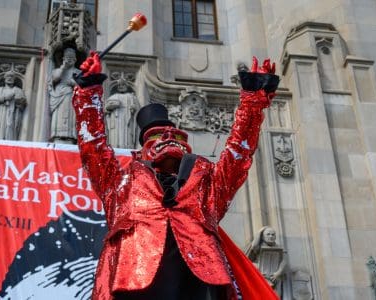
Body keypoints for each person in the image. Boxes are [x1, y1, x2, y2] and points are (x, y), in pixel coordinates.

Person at [72, 51, 280, 300]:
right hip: (134, 279)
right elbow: (93, 149)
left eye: (177, 135)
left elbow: (238, 153)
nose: (170, 138)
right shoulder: (121, 182)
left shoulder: (207, 179)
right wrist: (88, 93)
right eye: (159, 135)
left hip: (199, 279)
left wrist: (253, 101)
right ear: (145, 148)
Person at [49, 47, 81, 143]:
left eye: (71, 58)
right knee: (58, 116)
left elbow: (83, 87)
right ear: (63, 59)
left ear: (75, 60)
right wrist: (63, 67)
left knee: (71, 117)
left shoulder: (78, 72)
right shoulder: (57, 70)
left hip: (71, 96)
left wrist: (72, 83)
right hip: (58, 97)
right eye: (67, 58)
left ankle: (70, 136)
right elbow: (55, 78)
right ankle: (57, 136)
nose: (69, 60)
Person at [246, 226, 287, 292]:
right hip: (262, 277)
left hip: (274, 277)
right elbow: (254, 246)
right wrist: (260, 232)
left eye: (273, 234)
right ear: (262, 237)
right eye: (268, 234)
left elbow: (284, 261)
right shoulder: (259, 247)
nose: (271, 236)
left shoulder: (280, 247)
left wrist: (278, 273)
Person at [0, 70, 26, 140]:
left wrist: (17, 100)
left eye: (12, 77)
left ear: (14, 80)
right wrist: (4, 98)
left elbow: (23, 103)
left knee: (9, 127)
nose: (10, 78)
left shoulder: (17, 90)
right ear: (5, 79)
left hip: (11, 113)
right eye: (8, 76)